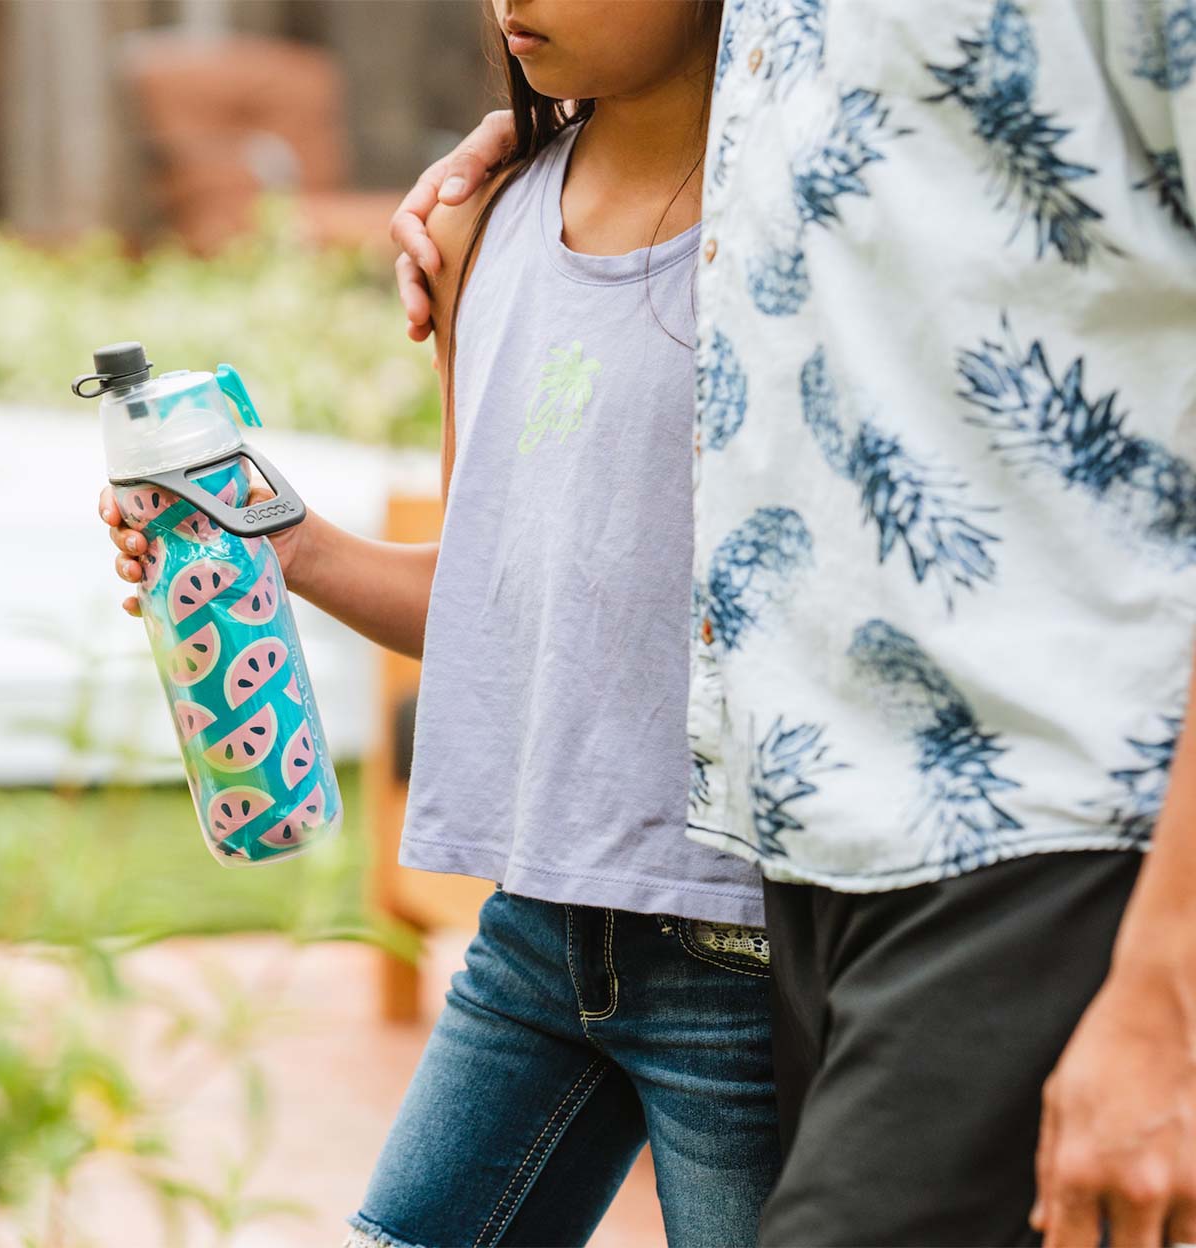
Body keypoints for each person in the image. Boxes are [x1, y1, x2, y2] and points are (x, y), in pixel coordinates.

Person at [394, 1, 1196, 1244]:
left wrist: (1168, 991)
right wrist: (539, 150)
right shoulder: (562, 176)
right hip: (775, 871)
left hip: (1035, 834)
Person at [100, 3, 786, 1246]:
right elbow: (486, 595)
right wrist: (274, 542)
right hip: (538, 929)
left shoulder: (812, 222)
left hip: (747, 956)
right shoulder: (482, 223)